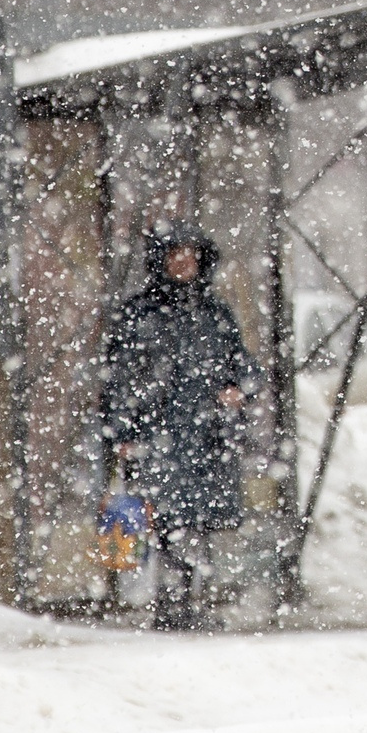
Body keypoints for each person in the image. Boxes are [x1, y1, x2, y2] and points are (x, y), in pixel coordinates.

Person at [101, 225, 262, 629]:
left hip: (206, 434)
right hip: (158, 432)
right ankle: (171, 602)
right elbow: (119, 378)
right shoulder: (138, 314)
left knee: (196, 520)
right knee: (165, 518)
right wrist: (123, 432)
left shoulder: (215, 313)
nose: (183, 263)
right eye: (175, 255)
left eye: (190, 255)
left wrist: (237, 388)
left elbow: (242, 365)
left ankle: (187, 600)